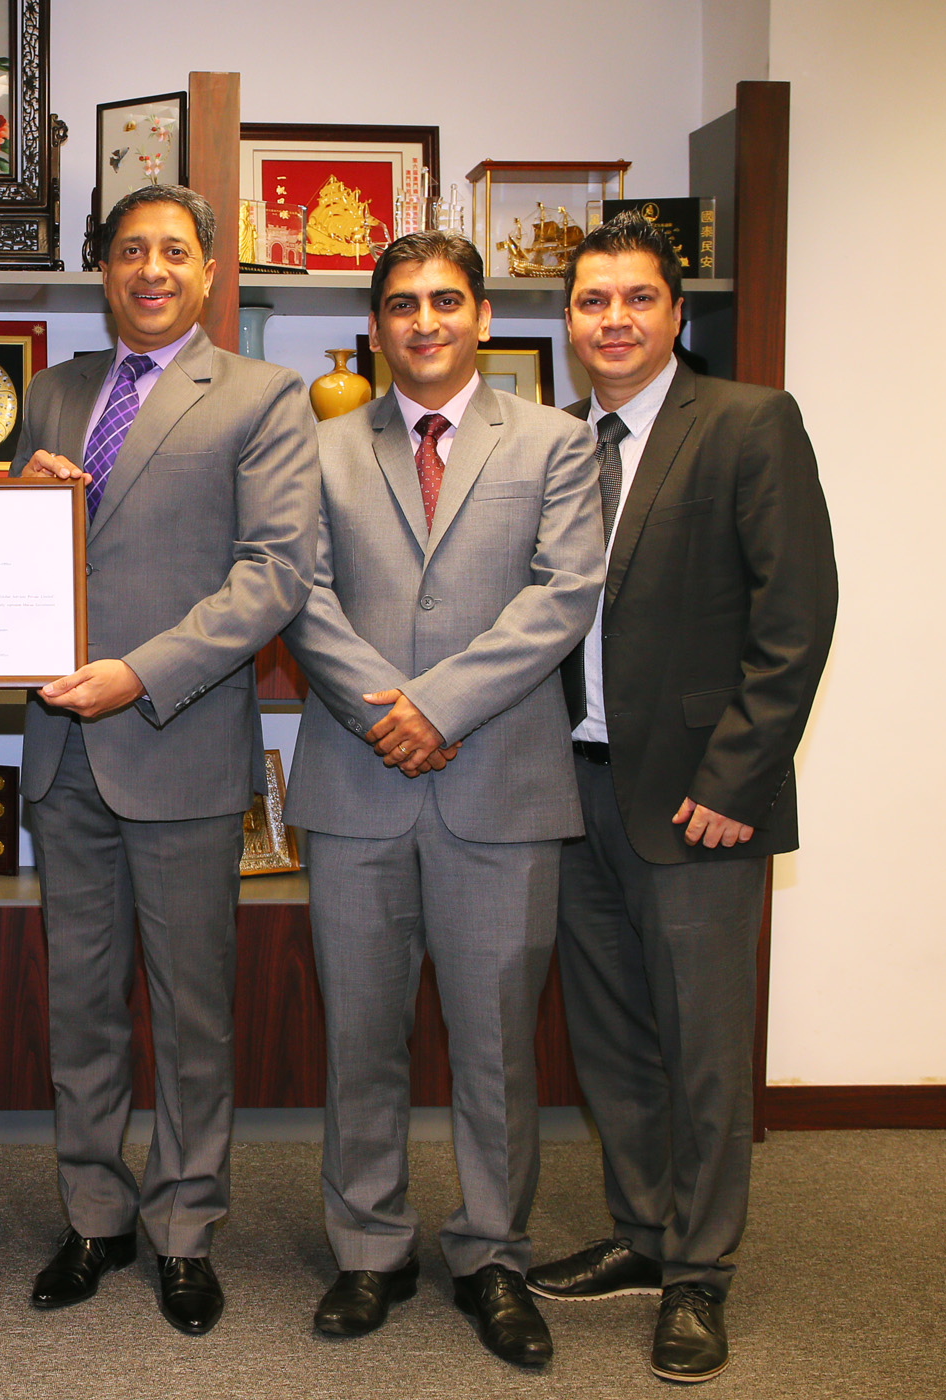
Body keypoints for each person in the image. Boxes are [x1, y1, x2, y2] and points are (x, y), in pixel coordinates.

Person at [280, 230, 603, 1367]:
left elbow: (564, 593)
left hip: (501, 782)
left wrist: (438, 705)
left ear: (482, 316)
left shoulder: (556, 440)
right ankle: (369, 1247)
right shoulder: (319, 446)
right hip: (357, 776)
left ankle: (492, 1254)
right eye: (404, 304)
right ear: (375, 327)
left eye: (447, 300)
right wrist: (389, 710)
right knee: (360, 1034)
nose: (425, 321)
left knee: (498, 1043)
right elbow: (298, 591)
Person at [528, 215, 836, 1384]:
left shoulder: (749, 422)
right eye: (592, 300)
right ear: (569, 320)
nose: (614, 319)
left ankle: (700, 1273)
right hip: (575, 787)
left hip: (701, 799)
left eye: (637, 298)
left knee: (703, 1045)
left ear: (676, 310)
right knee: (612, 1035)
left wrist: (737, 777)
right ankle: (644, 1231)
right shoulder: (558, 442)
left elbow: (795, 614)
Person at [12, 186, 319, 1336]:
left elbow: (273, 574)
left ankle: (186, 1225)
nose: (151, 268)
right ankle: (94, 1215)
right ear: (103, 269)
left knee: (193, 1011)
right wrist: (17, 503)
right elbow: (17, 557)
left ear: (209, 270)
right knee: (81, 1002)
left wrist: (138, 672)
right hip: (63, 753)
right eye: (130, 250)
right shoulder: (54, 390)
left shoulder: (262, 395)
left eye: (173, 251)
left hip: (174, 738)